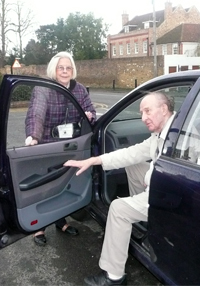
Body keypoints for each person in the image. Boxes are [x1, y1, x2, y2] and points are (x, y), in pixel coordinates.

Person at [63, 92, 176, 286]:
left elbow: (178, 172)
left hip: (171, 194)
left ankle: (114, 277)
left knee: (118, 208)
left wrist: (151, 178)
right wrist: (93, 160)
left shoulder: (183, 137)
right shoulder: (161, 134)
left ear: (164, 109)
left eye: (147, 111)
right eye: (141, 113)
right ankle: (140, 219)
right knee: (133, 164)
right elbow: (131, 154)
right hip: (162, 186)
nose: (143, 118)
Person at [25, 51, 96, 246]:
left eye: (68, 68)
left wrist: (89, 116)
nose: (65, 71)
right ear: (53, 69)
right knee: (45, 185)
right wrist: (33, 136)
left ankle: (60, 220)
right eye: (61, 68)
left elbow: (90, 110)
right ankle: (39, 226)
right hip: (48, 143)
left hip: (70, 146)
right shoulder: (44, 88)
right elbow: (36, 113)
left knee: (64, 184)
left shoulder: (79, 89)